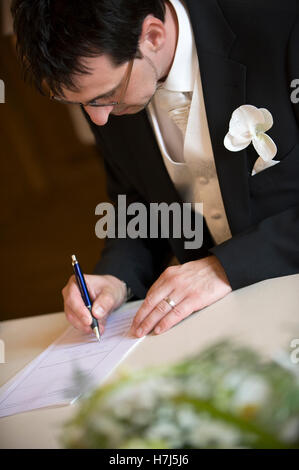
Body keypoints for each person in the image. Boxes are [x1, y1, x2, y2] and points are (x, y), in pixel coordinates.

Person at [11, 0, 299, 338]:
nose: (98, 119)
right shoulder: (103, 91)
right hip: (219, 330)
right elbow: (137, 203)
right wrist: (116, 277)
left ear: (153, 35)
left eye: (106, 97)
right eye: (81, 104)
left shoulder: (282, 26)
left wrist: (224, 267)